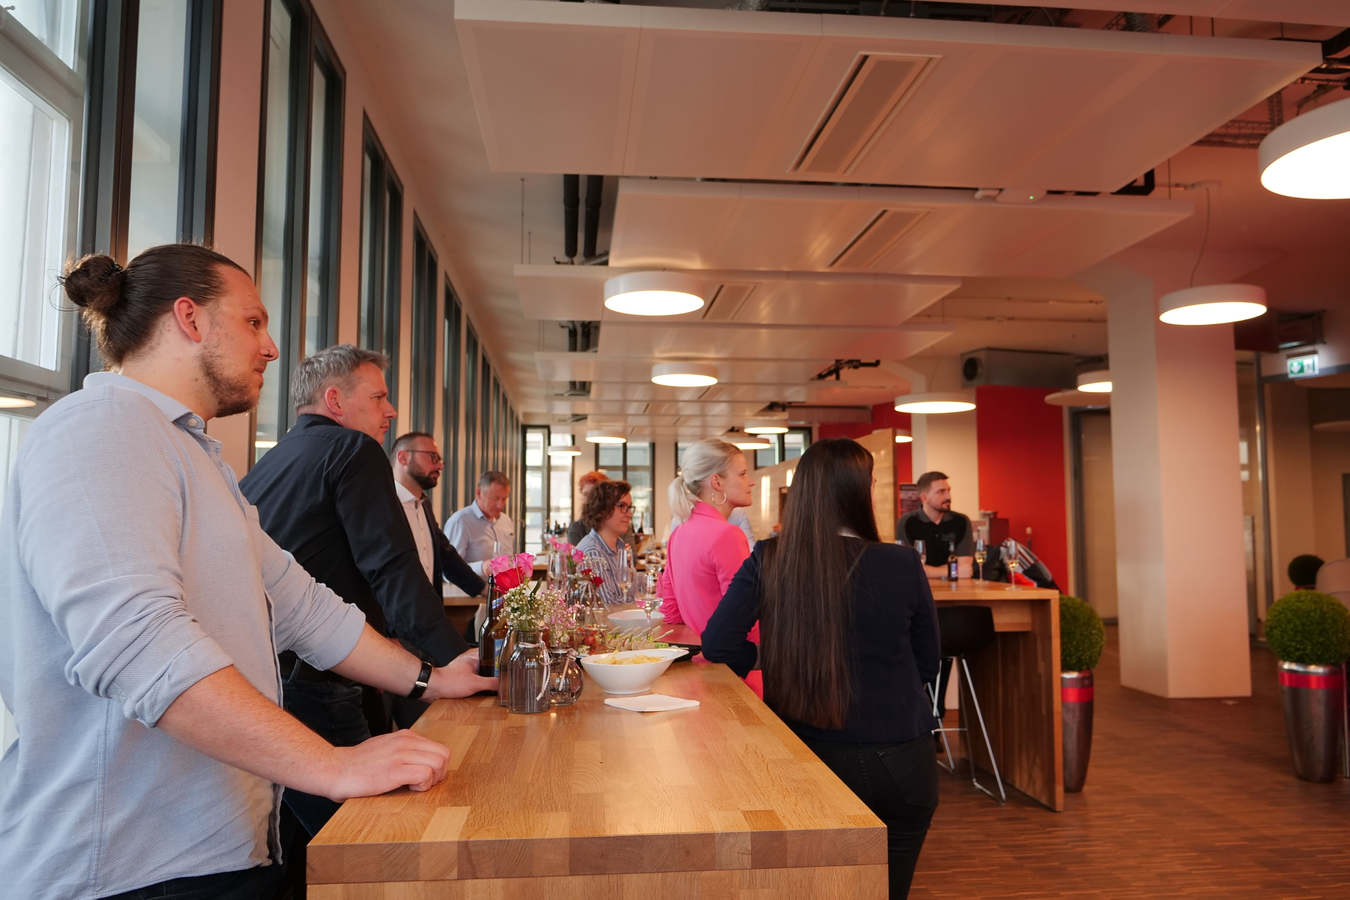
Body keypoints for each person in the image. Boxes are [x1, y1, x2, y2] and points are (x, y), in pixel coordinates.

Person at [0, 245, 493, 900]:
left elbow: (305, 608)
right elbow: (138, 646)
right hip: (127, 871)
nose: (272, 347)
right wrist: (331, 764)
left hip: (218, 850)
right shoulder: (100, 429)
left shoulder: (192, 455)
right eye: (254, 322)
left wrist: (433, 678)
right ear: (190, 318)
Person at [239, 345, 484, 838]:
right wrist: (456, 659)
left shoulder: (270, 463)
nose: (390, 411)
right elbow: (391, 565)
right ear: (335, 400)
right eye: (379, 398)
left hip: (263, 678)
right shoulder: (353, 449)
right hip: (321, 677)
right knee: (368, 841)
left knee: (300, 837)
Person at [703, 438, 941, 899]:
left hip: (805, 754)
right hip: (900, 757)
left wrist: (769, 658)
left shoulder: (771, 557)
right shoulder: (901, 562)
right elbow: (928, 663)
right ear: (859, 492)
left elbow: (717, 644)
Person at [388, 431, 489, 725]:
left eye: (440, 458)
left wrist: (489, 591)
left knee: (437, 715)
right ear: (403, 457)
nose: (440, 465)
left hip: (428, 626)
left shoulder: (423, 504)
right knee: (414, 719)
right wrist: (385, 633)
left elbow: (446, 557)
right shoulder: (383, 505)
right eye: (432, 457)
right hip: (395, 633)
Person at [656, 439, 754, 635]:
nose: (751, 481)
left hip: (698, 650)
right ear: (717, 482)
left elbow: (670, 612)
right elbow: (744, 617)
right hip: (730, 654)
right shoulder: (727, 535)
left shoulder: (679, 532)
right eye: (742, 474)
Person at [898, 471, 975, 577]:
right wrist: (950, 571)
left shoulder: (961, 521)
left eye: (948, 490)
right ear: (924, 498)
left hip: (955, 586)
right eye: (941, 492)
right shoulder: (906, 522)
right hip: (919, 586)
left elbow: (965, 568)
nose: (948, 496)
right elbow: (908, 567)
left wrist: (925, 570)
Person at [445, 470, 516, 576]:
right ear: (479, 493)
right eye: (495, 499)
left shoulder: (506, 521)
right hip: (473, 587)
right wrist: (481, 567)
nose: (500, 505)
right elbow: (449, 570)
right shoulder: (460, 522)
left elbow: (509, 559)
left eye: (504, 499)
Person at [576, 480, 636, 605]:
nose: (629, 514)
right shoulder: (591, 552)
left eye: (629, 507)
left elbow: (634, 595)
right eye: (622, 506)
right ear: (601, 509)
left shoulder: (621, 546)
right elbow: (609, 606)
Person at [566, 470, 610, 546]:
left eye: (593, 495)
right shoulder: (576, 528)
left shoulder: (618, 525)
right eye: (585, 494)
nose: (589, 500)